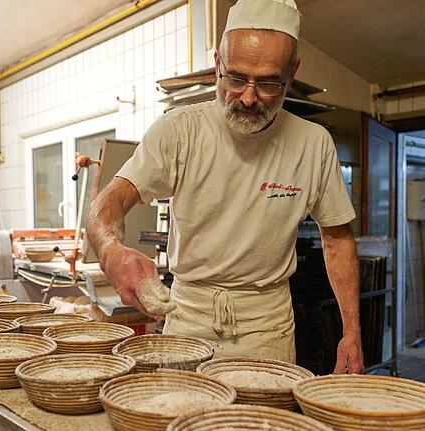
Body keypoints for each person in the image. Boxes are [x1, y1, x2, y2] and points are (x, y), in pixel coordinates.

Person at [87, 0, 363, 373]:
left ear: (292, 71)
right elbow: (112, 199)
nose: (248, 98)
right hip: (188, 318)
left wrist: (352, 331)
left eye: (268, 83)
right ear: (218, 63)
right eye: (234, 78)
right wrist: (110, 250)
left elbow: (337, 239)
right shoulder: (180, 130)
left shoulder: (312, 144)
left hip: (267, 328)